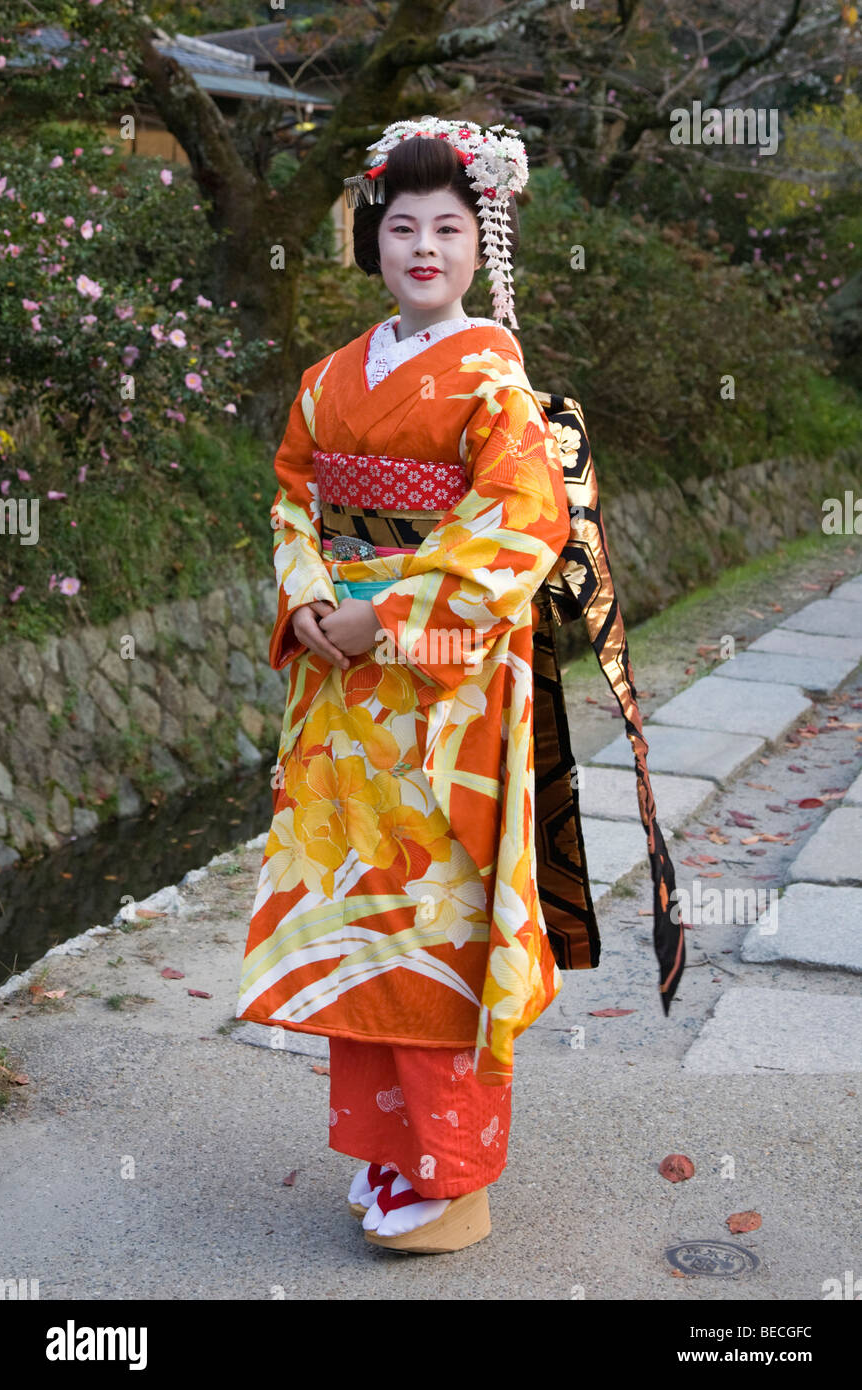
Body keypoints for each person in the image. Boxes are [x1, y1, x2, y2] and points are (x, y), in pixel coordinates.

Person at [235, 118, 681, 1254]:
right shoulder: (330, 377)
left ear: (479, 245)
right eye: (400, 227)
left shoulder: (492, 372)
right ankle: (392, 1152)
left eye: (446, 227)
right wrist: (302, 607)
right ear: (369, 240)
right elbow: (293, 498)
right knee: (359, 916)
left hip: (442, 688)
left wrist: (379, 612)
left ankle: (455, 1166)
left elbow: (519, 522)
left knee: (437, 921)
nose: (422, 247)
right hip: (338, 695)